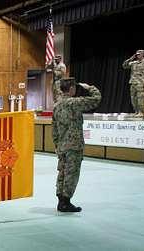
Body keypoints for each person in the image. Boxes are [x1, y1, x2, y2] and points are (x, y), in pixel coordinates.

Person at [52, 78, 101, 212]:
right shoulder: (74, 103)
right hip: (73, 145)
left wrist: (56, 144)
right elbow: (96, 99)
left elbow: (54, 128)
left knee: (62, 172)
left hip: (62, 145)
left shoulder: (56, 105)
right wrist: (90, 87)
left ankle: (61, 201)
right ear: (72, 89)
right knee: (71, 173)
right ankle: (66, 202)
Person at [122, 49, 144, 117]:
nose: (137, 55)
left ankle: (141, 112)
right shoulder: (134, 62)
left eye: (139, 54)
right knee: (133, 98)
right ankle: (136, 111)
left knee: (140, 98)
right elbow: (124, 66)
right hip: (133, 82)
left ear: (142, 54)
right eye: (137, 54)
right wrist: (130, 59)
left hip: (141, 83)